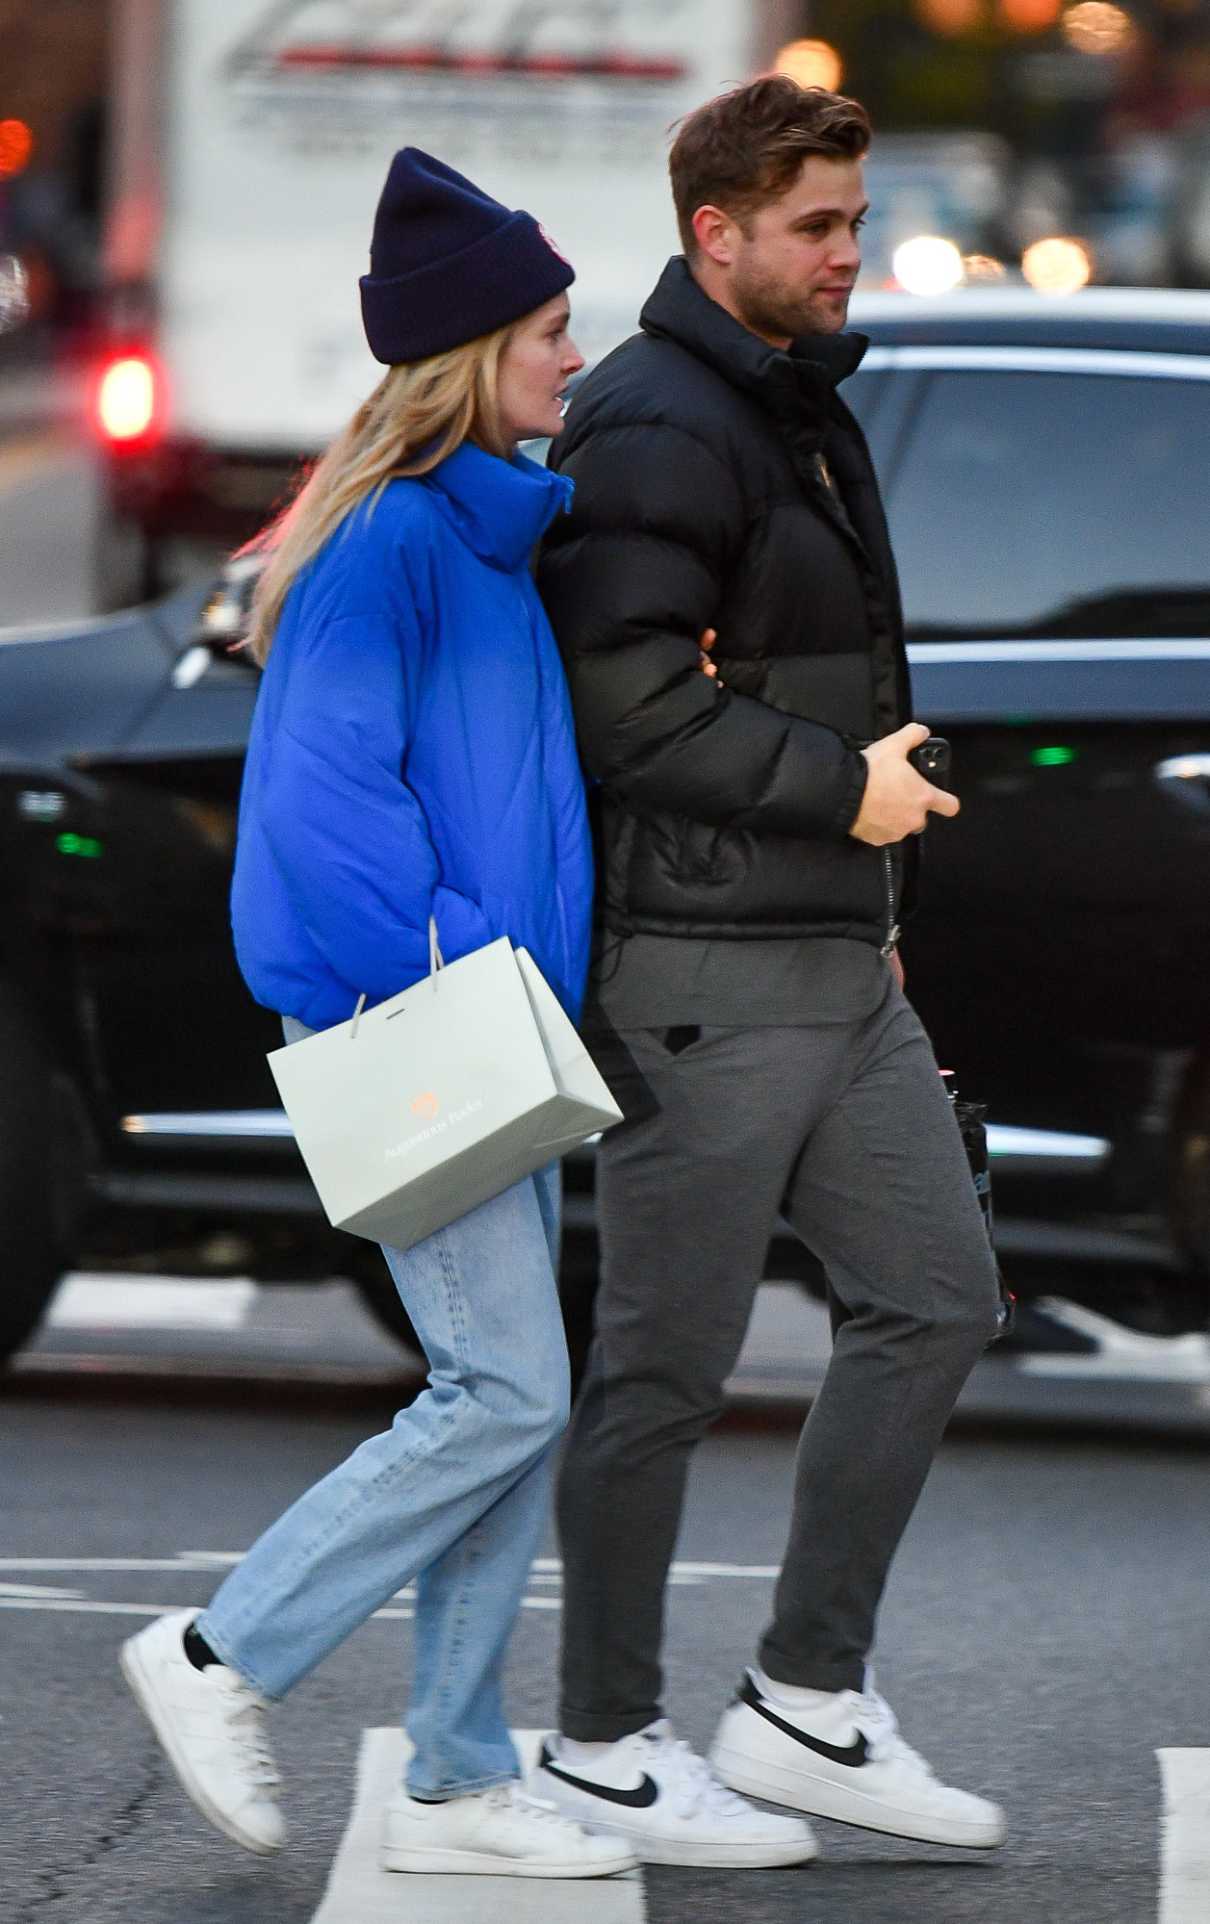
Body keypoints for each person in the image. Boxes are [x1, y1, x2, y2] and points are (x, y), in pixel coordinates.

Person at [119, 147, 636, 1884]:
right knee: (501, 1390)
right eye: (553, 331)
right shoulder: (389, 548)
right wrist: (470, 964)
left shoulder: (483, 542)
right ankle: (218, 1655)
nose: (576, 355)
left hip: (499, 1025)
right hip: (432, 1025)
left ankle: (459, 1775)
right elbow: (326, 826)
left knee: (519, 1394)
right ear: (472, 353)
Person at [532, 76, 1008, 1865]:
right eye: (814, 227)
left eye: (852, 223)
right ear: (713, 231)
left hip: (824, 953)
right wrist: (844, 785)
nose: (844, 255)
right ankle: (595, 1741)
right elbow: (624, 700)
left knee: (938, 1296)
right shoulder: (657, 417)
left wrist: (867, 823)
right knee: (661, 1370)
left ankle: (806, 1700)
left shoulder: (788, 400)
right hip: (700, 969)